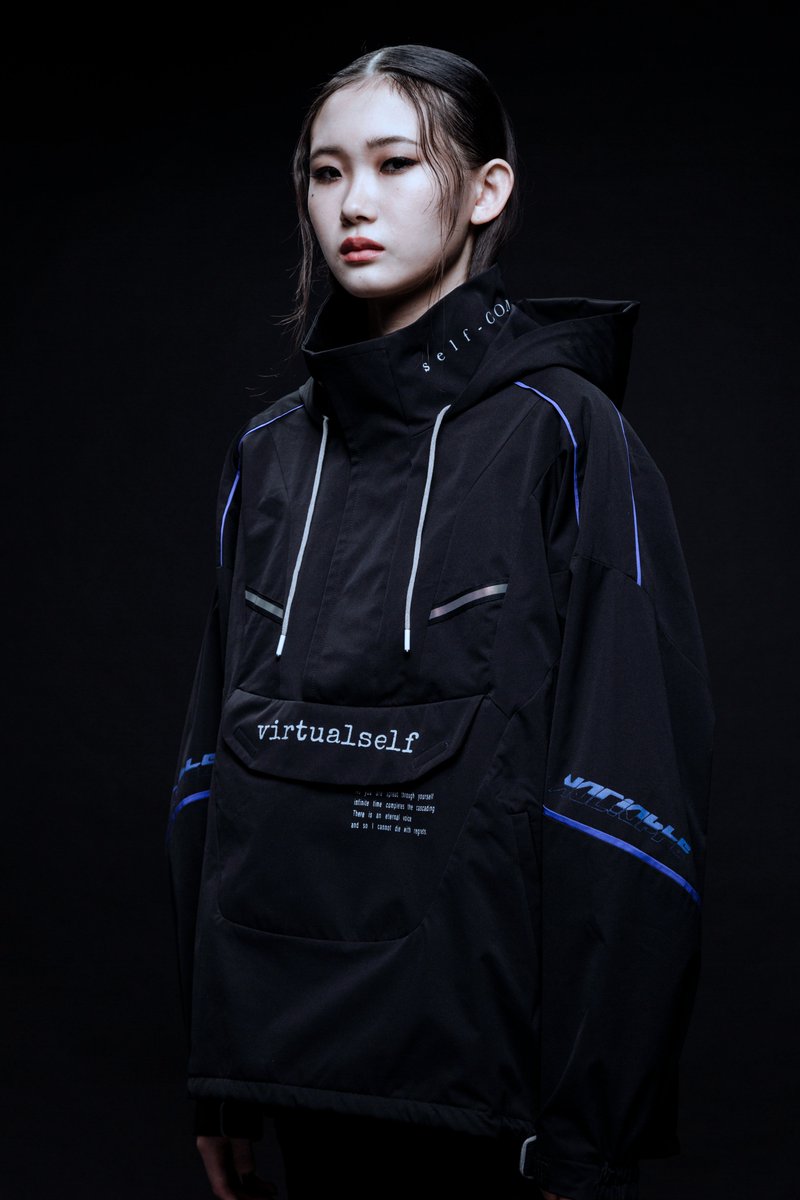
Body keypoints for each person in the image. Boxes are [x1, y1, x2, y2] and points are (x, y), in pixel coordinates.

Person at [165, 44, 715, 1200]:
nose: (352, 204)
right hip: (291, 1071)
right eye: (325, 172)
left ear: (484, 190)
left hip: (486, 1099)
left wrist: (586, 1122)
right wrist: (216, 1074)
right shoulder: (267, 456)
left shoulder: (565, 436)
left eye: (395, 163)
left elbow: (625, 785)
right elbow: (213, 768)